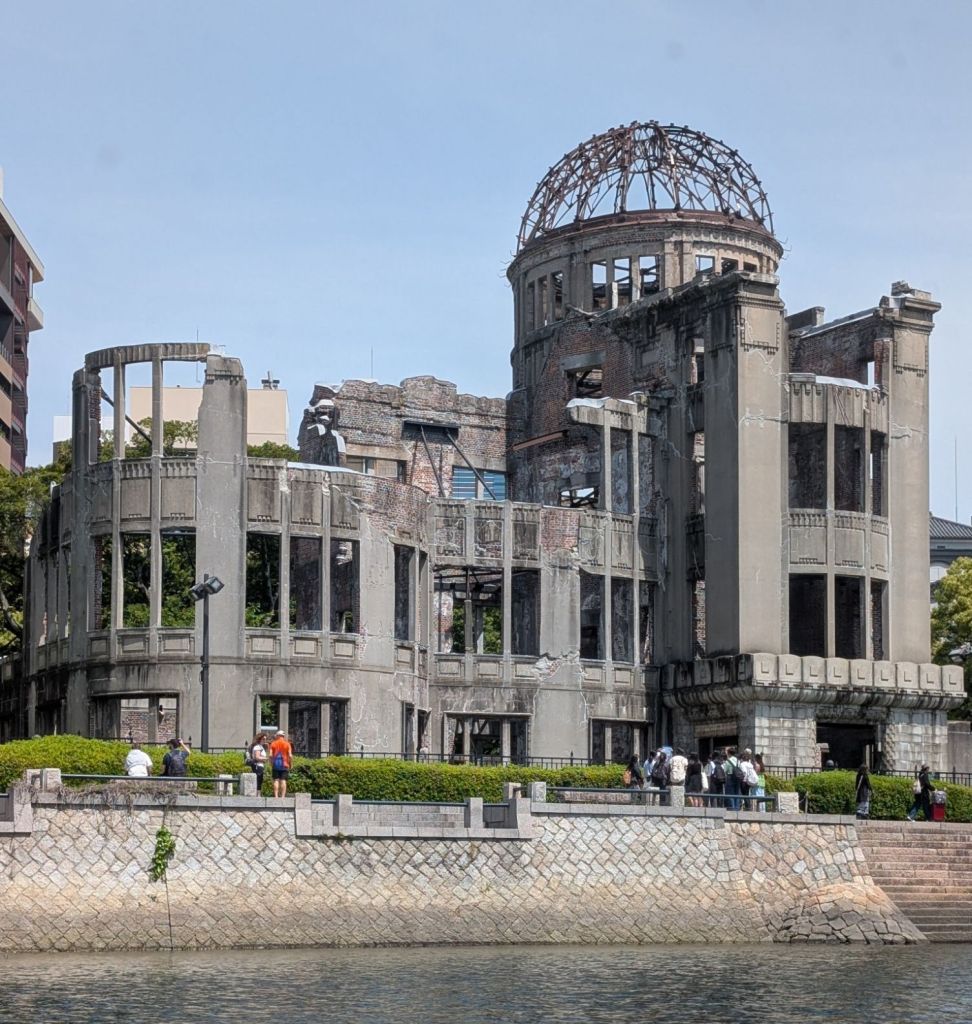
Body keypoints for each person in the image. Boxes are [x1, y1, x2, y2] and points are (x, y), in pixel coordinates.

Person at [269, 729, 293, 798]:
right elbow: (290, 755)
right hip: (285, 765)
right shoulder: (287, 744)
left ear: (277, 736)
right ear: (283, 736)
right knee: (283, 780)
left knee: (276, 780)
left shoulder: (273, 743)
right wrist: (291, 764)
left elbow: (270, 755)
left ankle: (276, 796)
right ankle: (283, 797)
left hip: (275, 765)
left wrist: (271, 763)